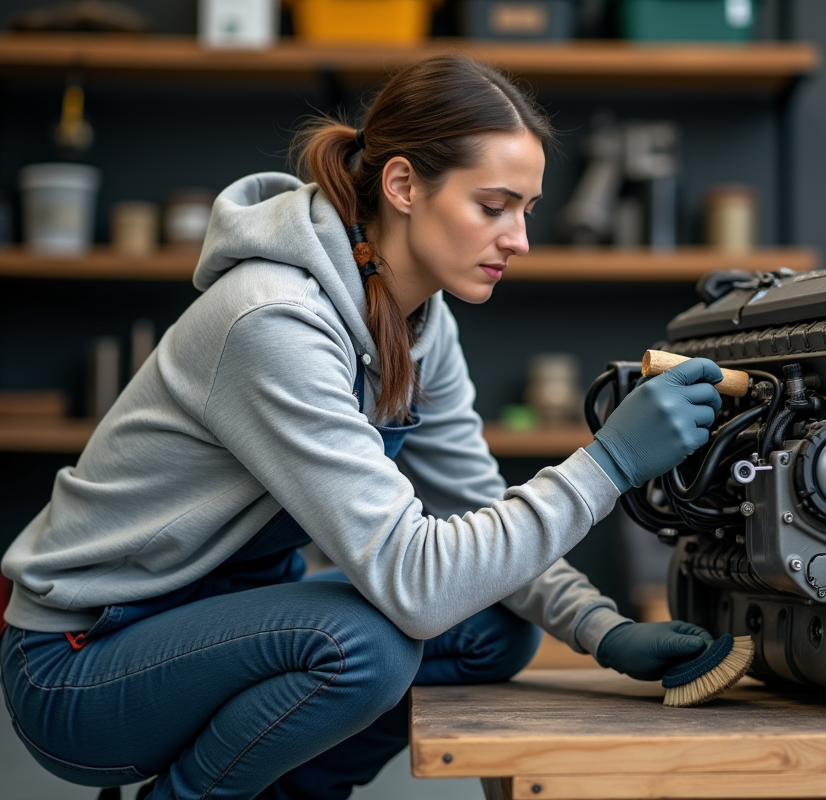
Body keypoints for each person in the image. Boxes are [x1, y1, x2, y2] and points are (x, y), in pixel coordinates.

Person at [0, 55, 727, 799]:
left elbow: (474, 509)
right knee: (367, 643)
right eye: (493, 206)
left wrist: (601, 629)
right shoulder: (274, 320)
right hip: (80, 663)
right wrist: (607, 465)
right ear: (404, 185)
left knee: (494, 628)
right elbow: (418, 586)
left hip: (208, 620)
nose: (519, 239)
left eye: (527, 210)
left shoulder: (420, 321)